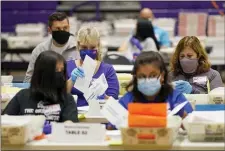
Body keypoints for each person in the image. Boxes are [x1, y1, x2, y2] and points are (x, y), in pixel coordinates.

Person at [3, 51, 79, 123]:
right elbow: (4, 121)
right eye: (56, 70)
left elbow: (70, 126)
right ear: (42, 74)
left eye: (62, 71)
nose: (60, 75)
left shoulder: (67, 99)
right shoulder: (22, 96)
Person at [119, 51, 193, 118]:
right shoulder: (128, 99)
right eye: (142, 76)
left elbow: (191, 121)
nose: (147, 80)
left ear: (162, 76)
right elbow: (111, 126)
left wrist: (183, 118)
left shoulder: (175, 97)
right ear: (136, 78)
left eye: (153, 76)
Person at [67, 26, 119, 107]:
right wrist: (71, 80)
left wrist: (101, 96)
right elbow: (59, 98)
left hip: (99, 114)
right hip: (74, 114)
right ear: (78, 45)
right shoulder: (68, 67)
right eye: (84, 47)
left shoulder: (108, 70)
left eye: (92, 47)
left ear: (98, 45)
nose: (88, 51)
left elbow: (114, 102)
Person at [24, 12, 80, 82]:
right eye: (58, 29)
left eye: (65, 28)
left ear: (69, 27)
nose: (62, 31)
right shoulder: (40, 50)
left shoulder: (78, 48)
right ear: (49, 30)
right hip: (46, 91)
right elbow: (29, 79)